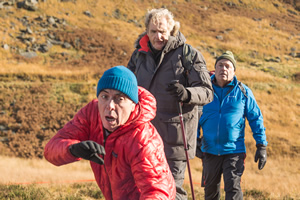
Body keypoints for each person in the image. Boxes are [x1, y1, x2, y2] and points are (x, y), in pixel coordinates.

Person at [44, 66, 176, 200]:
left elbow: (156, 191)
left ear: (132, 105)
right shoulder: (91, 114)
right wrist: (73, 149)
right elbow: (50, 150)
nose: (110, 105)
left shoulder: (143, 139)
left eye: (119, 99)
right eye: (104, 96)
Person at [127, 8, 213, 200]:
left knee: (172, 192)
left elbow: (207, 92)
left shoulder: (188, 54)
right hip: (143, 138)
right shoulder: (138, 56)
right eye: (153, 32)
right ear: (146, 32)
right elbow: (127, 90)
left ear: (171, 30)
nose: (158, 36)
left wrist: (187, 93)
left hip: (176, 139)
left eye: (163, 31)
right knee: (145, 191)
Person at [196, 51, 268, 200]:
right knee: (210, 192)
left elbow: (256, 118)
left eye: (228, 66)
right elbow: (194, 117)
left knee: (233, 190)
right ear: (214, 69)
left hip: (234, 151)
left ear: (234, 71)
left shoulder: (243, 92)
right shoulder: (204, 91)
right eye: (220, 65)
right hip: (209, 151)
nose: (224, 69)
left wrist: (262, 145)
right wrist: (195, 140)